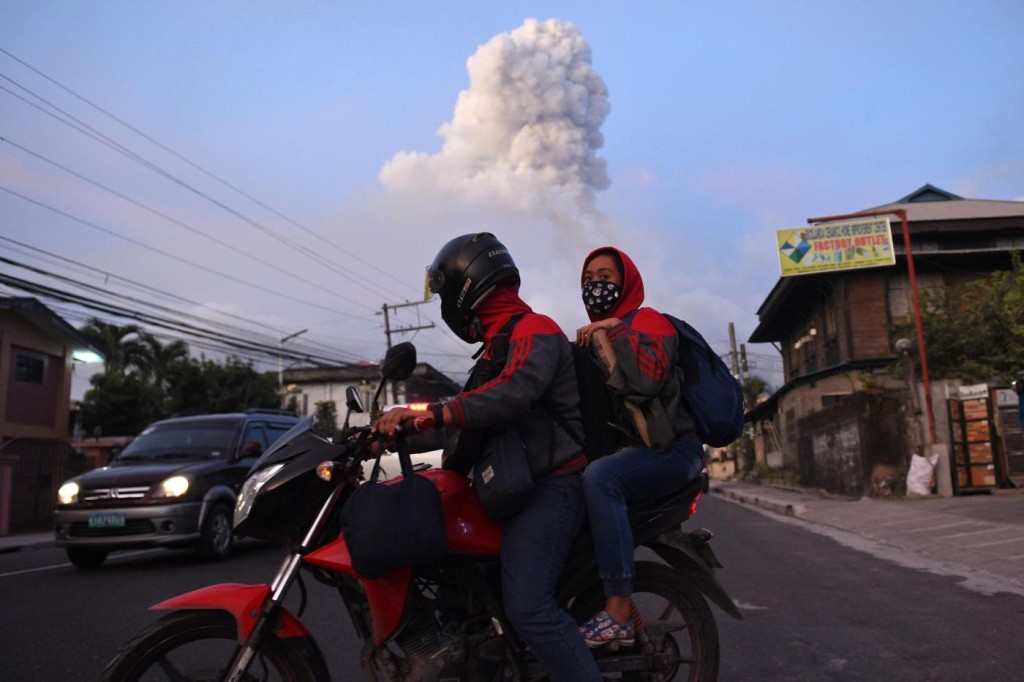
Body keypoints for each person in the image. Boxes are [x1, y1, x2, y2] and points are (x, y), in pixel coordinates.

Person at [374, 233, 602, 682]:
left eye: (446, 296)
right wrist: (392, 434)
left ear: (468, 286)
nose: (446, 310)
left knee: (529, 607)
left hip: (555, 484)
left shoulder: (536, 330)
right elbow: (471, 418)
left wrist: (427, 417)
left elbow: (512, 395)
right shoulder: (495, 348)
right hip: (514, 485)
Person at [574, 246, 705, 648]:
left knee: (602, 479)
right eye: (589, 280)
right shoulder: (595, 338)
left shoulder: (649, 322)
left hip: (673, 451)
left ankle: (617, 608)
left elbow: (647, 382)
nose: (597, 286)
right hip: (641, 451)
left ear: (626, 281)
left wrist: (614, 330)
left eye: (606, 278)